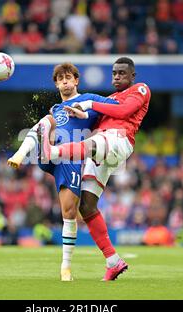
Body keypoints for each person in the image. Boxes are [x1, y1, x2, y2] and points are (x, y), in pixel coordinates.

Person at [38, 57, 151, 280]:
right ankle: (113, 261)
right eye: (114, 74)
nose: (117, 77)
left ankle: (53, 152)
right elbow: (97, 122)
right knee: (87, 206)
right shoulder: (109, 98)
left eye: (122, 73)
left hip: (119, 141)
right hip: (103, 144)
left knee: (91, 143)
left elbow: (123, 111)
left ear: (132, 76)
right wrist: (82, 115)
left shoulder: (141, 89)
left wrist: (88, 104)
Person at [7, 62, 117, 281]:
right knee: (45, 122)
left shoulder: (90, 100)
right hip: (50, 151)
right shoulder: (56, 109)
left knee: (68, 213)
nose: (65, 81)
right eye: (60, 79)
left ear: (76, 80)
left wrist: (92, 116)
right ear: (57, 85)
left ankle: (65, 267)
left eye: (68, 77)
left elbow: (114, 105)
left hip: (70, 157)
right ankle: (20, 154)